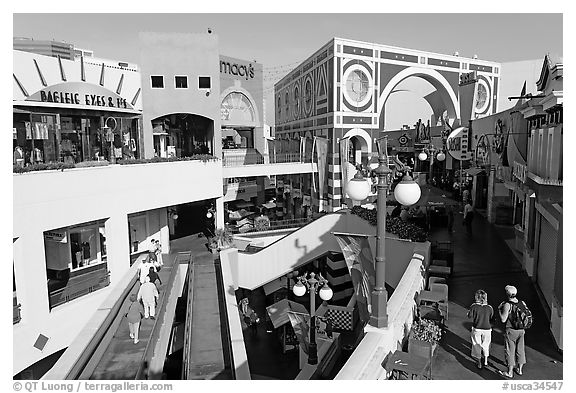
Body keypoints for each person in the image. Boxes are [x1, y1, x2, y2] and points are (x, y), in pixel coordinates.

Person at [498, 285, 526, 378]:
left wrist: (499, 310)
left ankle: (510, 372)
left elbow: (503, 319)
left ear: (507, 294)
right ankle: (520, 369)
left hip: (511, 330)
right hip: (521, 330)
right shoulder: (522, 303)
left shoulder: (507, 305)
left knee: (510, 351)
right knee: (520, 350)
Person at [467, 289, 493, 369]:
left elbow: (469, 316)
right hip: (487, 329)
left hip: (477, 328)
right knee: (486, 344)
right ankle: (485, 361)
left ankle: (479, 363)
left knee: (476, 344)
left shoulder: (474, 306)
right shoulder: (489, 307)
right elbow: (491, 318)